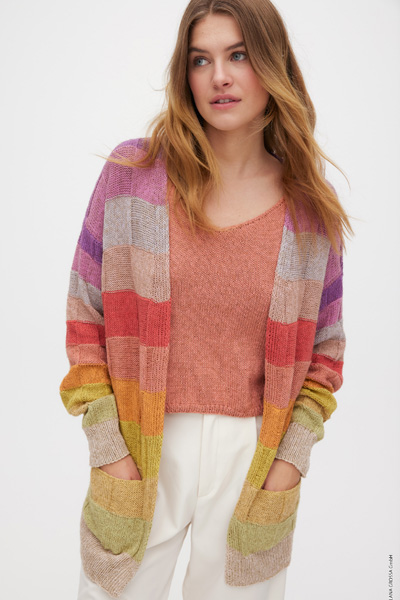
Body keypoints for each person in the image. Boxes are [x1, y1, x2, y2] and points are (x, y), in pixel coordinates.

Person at [59, 0, 353, 598]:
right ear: (185, 74)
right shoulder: (134, 175)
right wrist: (109, 448)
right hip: (141, 441)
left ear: (273, 66)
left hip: (254, 458)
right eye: (201, 60)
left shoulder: (308, 208)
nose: (219, 76)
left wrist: (288, 464)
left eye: (238, 55)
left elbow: (325, 355)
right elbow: (85, 318)